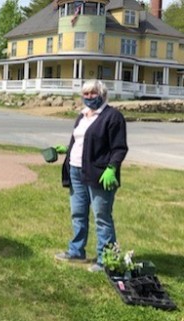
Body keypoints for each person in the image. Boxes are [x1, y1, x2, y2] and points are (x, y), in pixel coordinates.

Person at [53, 79, 128, 272]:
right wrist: (67, 149)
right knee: (78, 213)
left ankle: (106, 260)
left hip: (99, 174)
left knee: (102, 217)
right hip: (75, 170)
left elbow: (119, 148)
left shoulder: (113, 117)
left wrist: (112, 168)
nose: (89, 97)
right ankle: (77, 251)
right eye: (85, 94)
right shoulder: (82, 116)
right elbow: (83, 141)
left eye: (93, 93)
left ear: (102, 95)